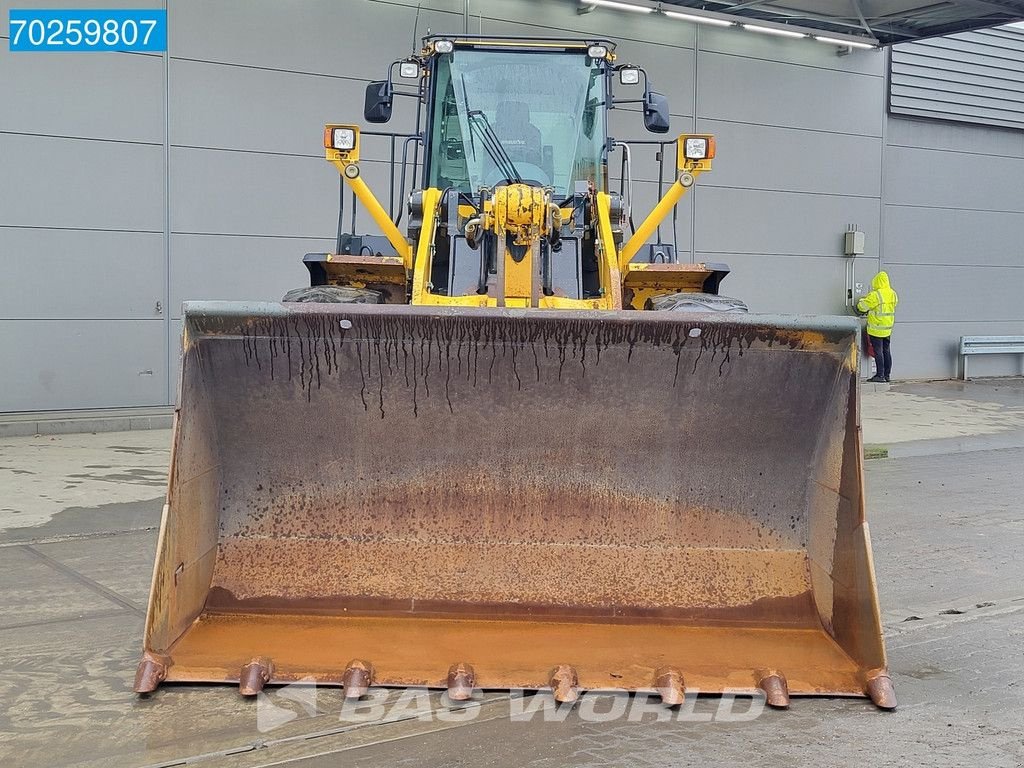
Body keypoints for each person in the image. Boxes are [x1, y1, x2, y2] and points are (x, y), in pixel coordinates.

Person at [857, 270, 898, 383]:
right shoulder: (893, 293)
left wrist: (861, 301)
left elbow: (862, 307)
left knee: (878, 351)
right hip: (888, 328)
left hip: (876, 328)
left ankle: (879, 375)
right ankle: (887, 375)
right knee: (886, 350)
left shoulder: (876, 295)